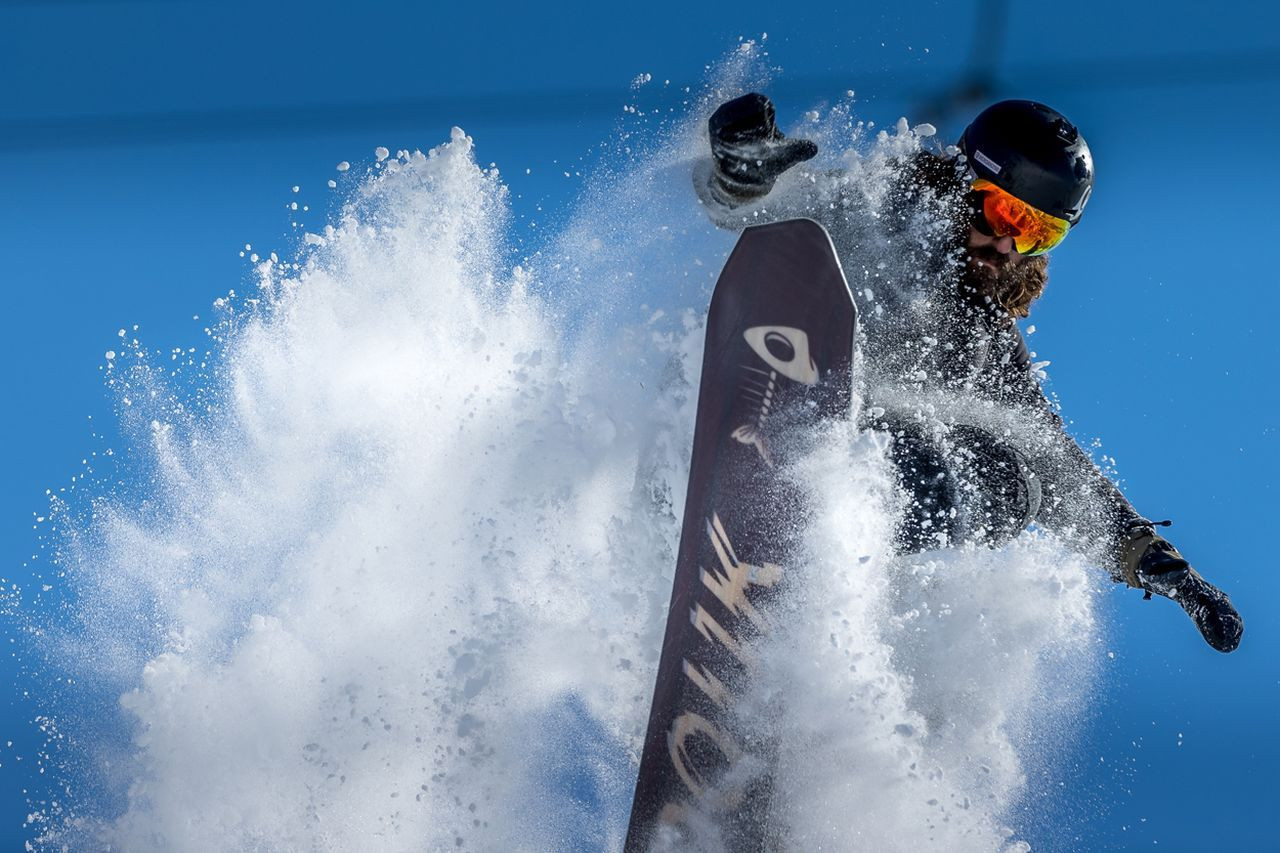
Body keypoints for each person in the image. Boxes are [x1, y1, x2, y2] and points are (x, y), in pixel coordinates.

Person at [693, 92, 1243, 653]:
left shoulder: (982, 339)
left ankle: (811, 547)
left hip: (832, 476)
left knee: (1012, 484)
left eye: (1037, 233)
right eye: (1005, 213)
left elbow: (1050, 460)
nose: (1008, 245)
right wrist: (742, 175)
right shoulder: (881, 209)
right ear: (962, 182)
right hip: (738, 409)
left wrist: (1154, 560)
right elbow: (748, 211)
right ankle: (768, 495)